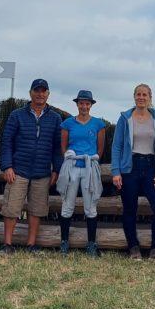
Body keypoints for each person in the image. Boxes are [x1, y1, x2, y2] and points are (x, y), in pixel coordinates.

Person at [111, 84, 155, 261]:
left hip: (150, 168)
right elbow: (116, 146)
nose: (141, 97)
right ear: (134, 96)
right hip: (130, 167)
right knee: (130, 209)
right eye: (138, 94)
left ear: (150, 97)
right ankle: (133, 248)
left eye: (144, 94)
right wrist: (116, 171)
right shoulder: (125, 118)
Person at [0, 78, 62, 254]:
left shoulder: (55, 118)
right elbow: (7, 142)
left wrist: (56, 169)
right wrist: (7, 166)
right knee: (11, 208)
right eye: (37, 90)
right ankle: (7, 245)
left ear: (48, 94)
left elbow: (58, 147)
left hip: (42, 171)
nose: (40, 94)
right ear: (30, 93)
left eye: (43, 91)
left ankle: (31, 245)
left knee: (37, 209)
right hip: (18, 170)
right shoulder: (17, 115)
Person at [56, 90, 106, 257]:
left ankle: (91, 244)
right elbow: (63, 145)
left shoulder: (98, 124)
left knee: (90, 206)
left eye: (87, 103)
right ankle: (64, 242)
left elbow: (100, 146)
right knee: (67, 204)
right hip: (72, 166)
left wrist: (96, 157)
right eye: (81, 103)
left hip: (89, 167)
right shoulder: (68, 123)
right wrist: (66, 155)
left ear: (91, 105)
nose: (84, 106)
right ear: (77, 104)